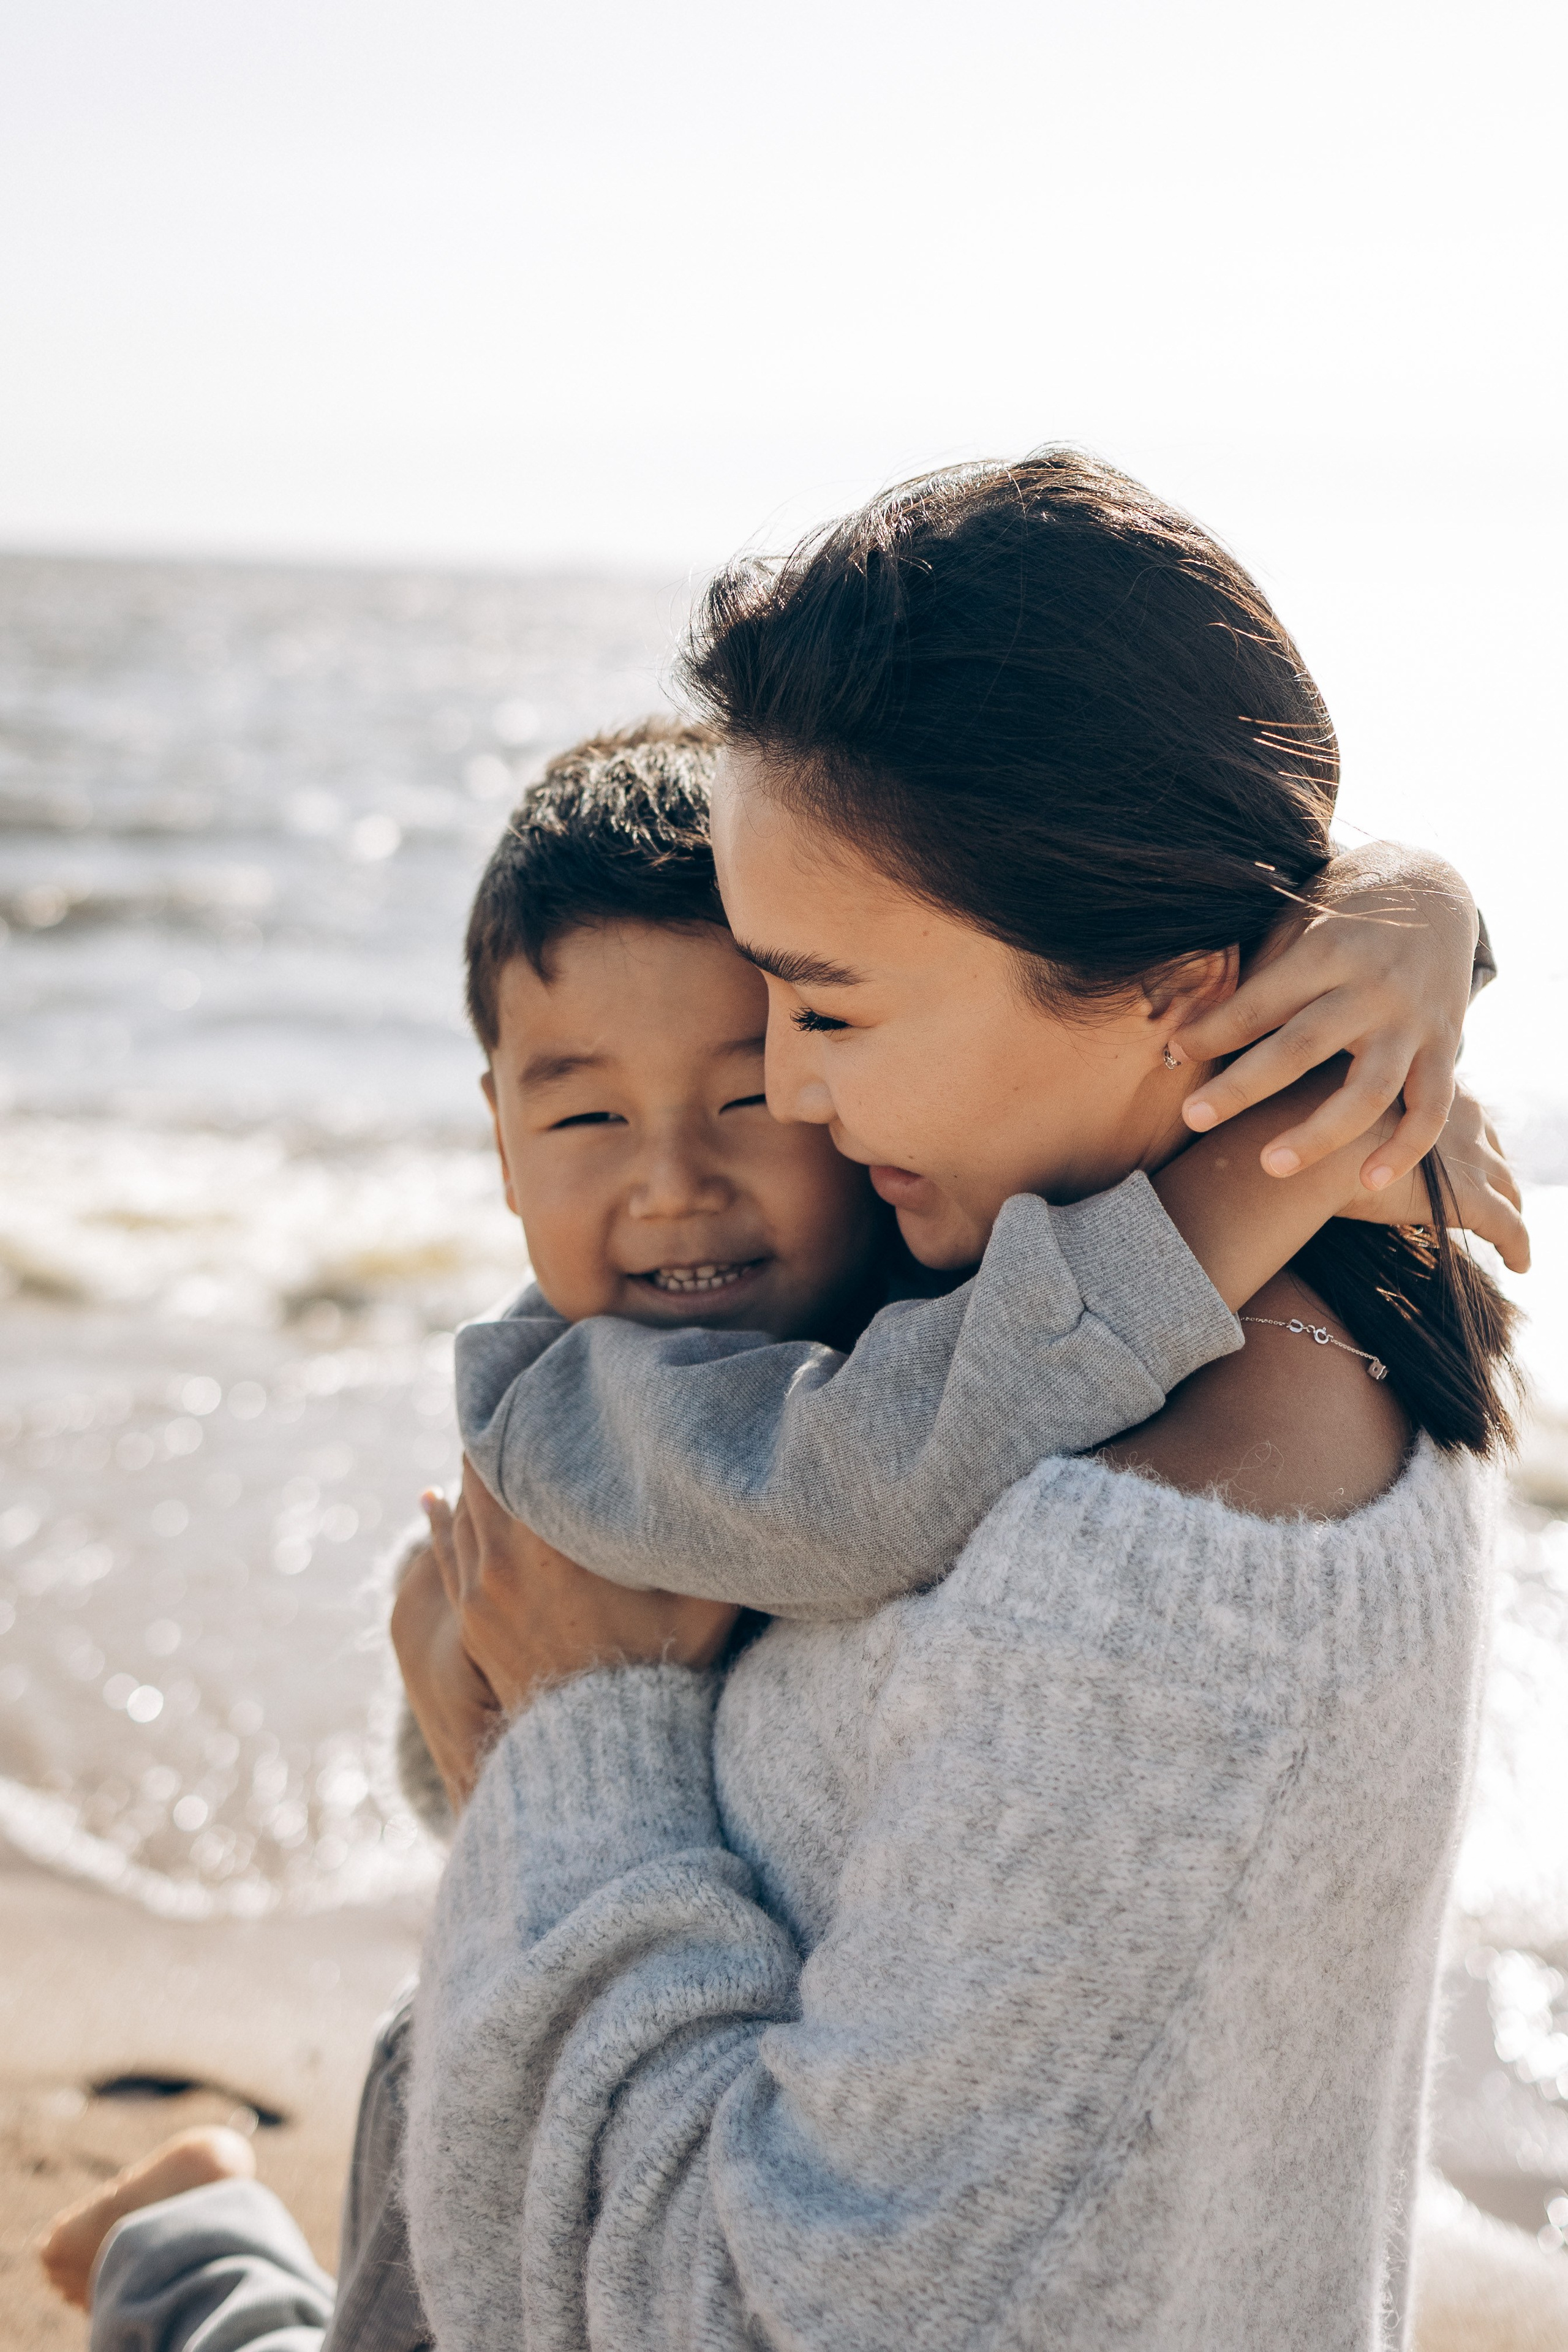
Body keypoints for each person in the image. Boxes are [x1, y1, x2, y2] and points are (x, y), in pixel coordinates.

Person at [42, 706, 1513, 2346]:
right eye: (586, 1119)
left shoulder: (900, 1278)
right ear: (499, 1135)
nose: (673, 1184)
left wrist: (1410, 928)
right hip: (482, 2124)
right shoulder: (603, 1396)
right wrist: (1266, 1169)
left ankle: (191, 2227)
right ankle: (184, 2238)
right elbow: (870, 1479)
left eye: (753, 1088)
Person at [396, 454, 1530, 2351]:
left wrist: (1418, 922)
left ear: (1173, 989)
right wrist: (1321, 1067)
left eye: (820, 1015)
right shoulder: (1033, 1275)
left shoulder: (1158, 1590)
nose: (787, 1102)